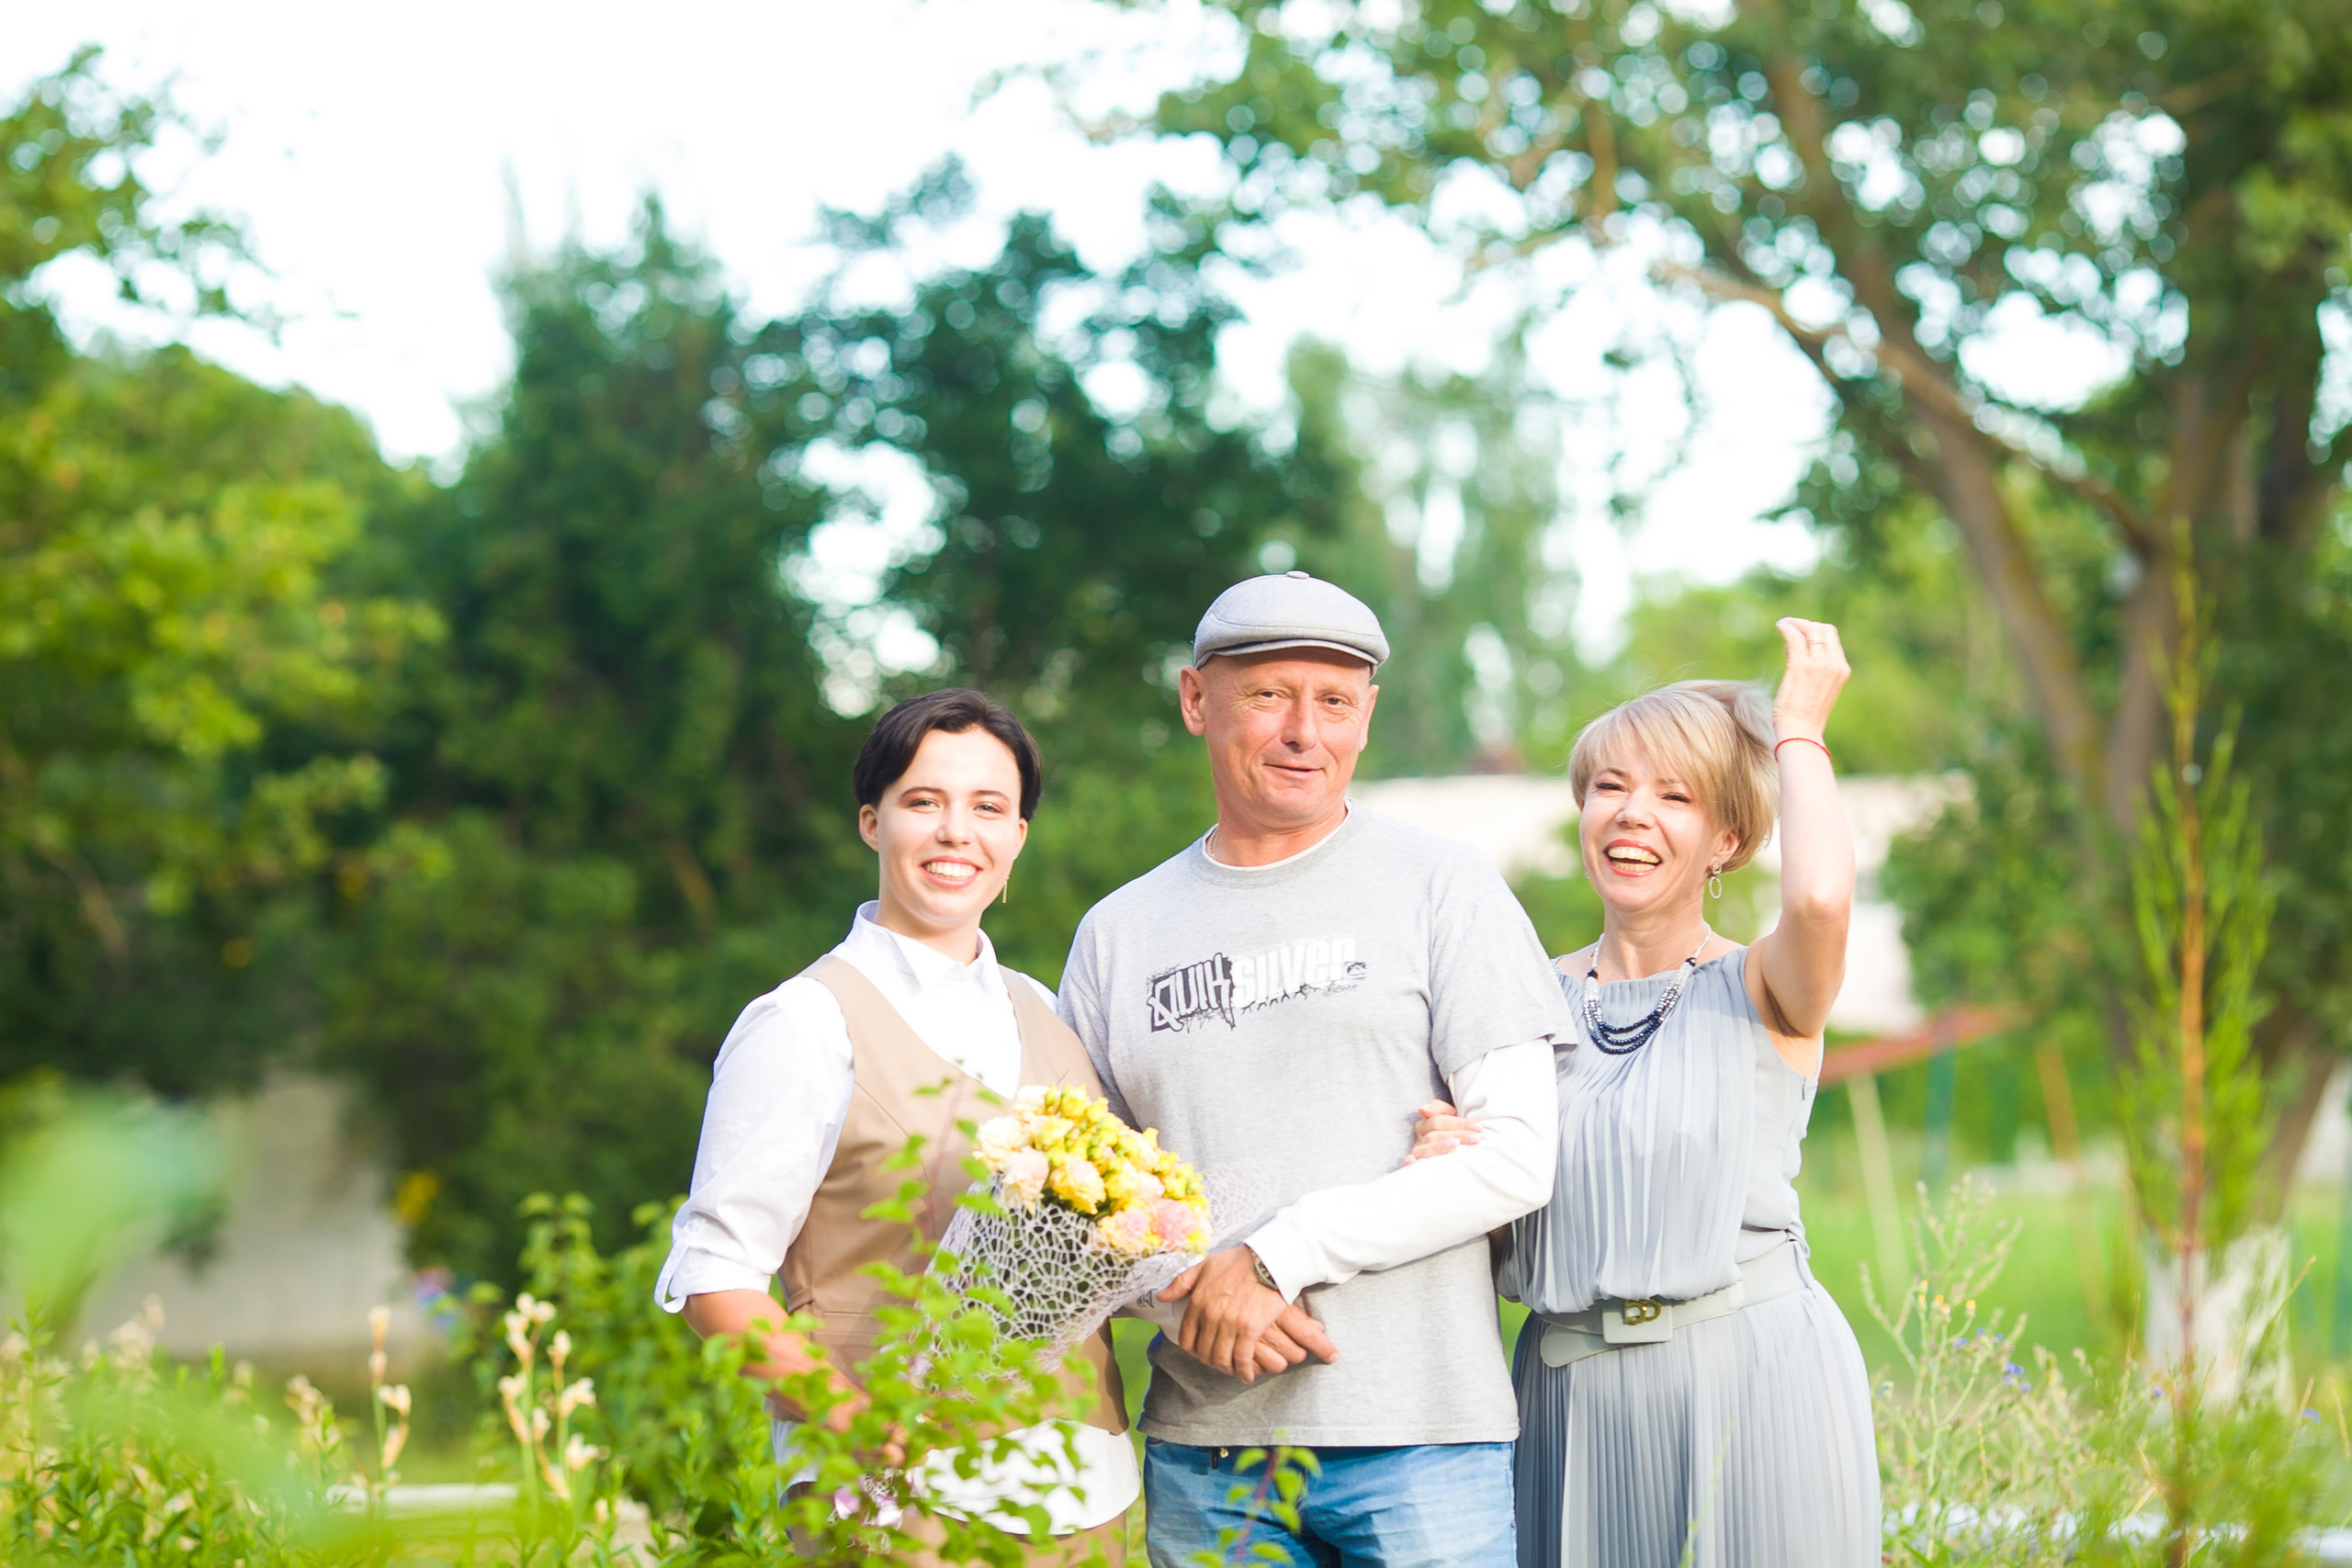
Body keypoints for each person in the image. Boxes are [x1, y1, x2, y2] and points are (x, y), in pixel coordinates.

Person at [1056, 570, 1574, 1568]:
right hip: (1212, 1456)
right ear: (1195, 699)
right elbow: (1077, 1206)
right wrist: (1189, 1295)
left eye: (1333, 701)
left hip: (1424, 1438)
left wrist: (1271, 1258)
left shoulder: (1446, 889)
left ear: (1366, 717)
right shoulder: (1117, 934)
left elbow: (1514, 1159)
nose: (1304, 730)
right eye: (1267, 695)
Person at [1414, 618, 1880, 1567]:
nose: (1631, 813)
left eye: (1674, 795)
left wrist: (1798, 729)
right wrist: (1445, 1173)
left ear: (1728, 840)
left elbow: (1822, 901)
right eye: (1610, 788)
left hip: (1754, 1387)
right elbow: (1494, 1236)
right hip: (1564, 1405)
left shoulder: (1765, 988)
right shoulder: (1511, 1001)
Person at [653, 688, 1134, 1564]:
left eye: (989, 807)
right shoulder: (803, 1022)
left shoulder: (1046, 1011)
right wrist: (859, 1424)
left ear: (1018, 837)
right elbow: (713, 1275)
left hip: (1082, 1493)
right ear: (872, 822)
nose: (958, 831)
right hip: (891, 1510)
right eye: (925, 801)